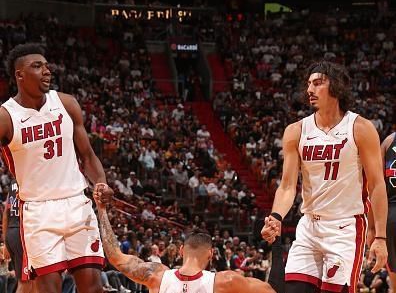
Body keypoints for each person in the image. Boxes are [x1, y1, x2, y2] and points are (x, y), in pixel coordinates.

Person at [261, 61, 388, 293]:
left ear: (337, 87)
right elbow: (287, 186)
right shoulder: (296, 131)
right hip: (309, 225)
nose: (310, 89)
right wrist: (276, 216)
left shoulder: (360, 128)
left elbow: (377, 185)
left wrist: (379, 236)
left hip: (345, 227)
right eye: (308, 84)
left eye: (318, 83)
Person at [0, 43, 113, 293]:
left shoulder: (66, 103)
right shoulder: (6, 117)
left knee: (93, 288)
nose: (46, 71)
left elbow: (88, 156)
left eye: (47, 66)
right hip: (38, 213)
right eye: (37, 66)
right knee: (49, 289)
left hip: (76, 204)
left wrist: (101, 182)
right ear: (20, 75)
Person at [93, 192, 285, 293]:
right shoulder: (226, 281)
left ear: (181, 250)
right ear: (210, 255)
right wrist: (276, 241)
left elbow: (115, 256)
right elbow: (275, 290)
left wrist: (101, 209)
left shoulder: (157, 277)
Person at [2, 180, 36, 293]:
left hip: (12, 232)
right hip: (22, 235)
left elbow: (6, 214)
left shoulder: (13, 183)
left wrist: (6, 243)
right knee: (26, 283)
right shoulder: (31, 180)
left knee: (33, 282)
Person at [380, 132, 396, 292]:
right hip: (390, 210)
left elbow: (375, 185)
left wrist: (373, 228)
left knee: (393, 268)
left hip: (390, 214)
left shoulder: (388, 142)